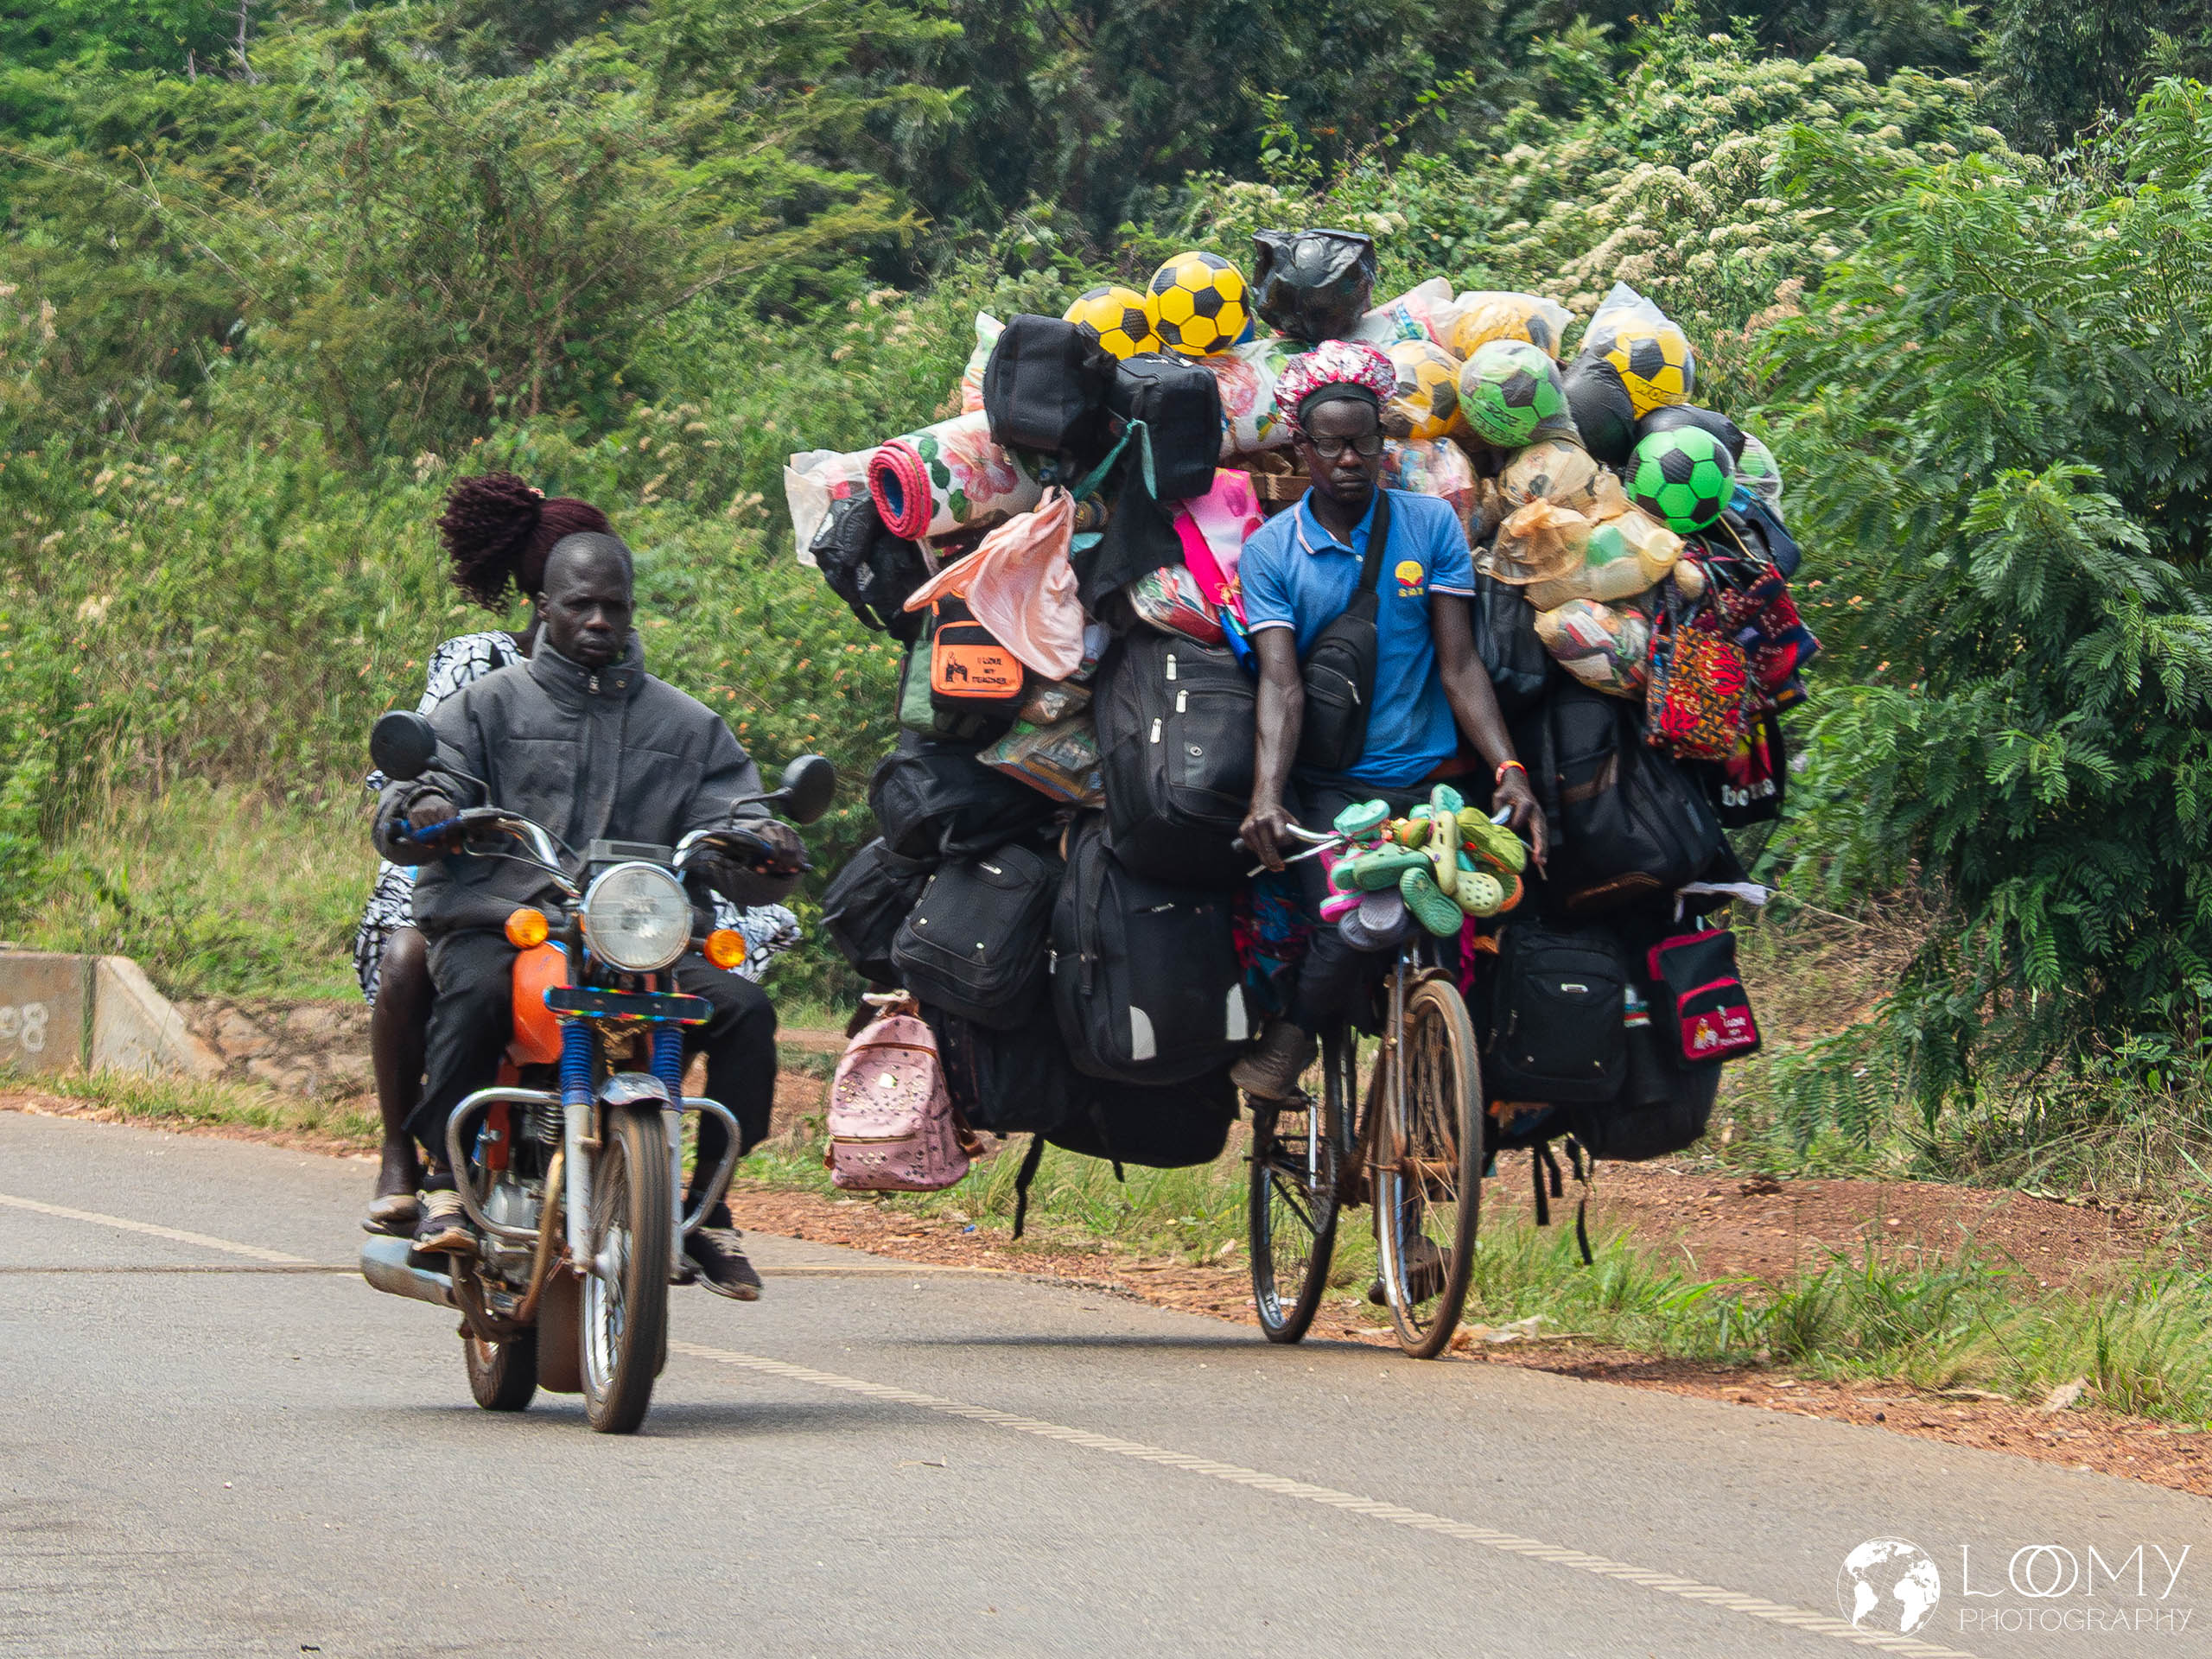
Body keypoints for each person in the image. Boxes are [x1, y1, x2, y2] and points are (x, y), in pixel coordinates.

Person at [353, 475, 798, 1236]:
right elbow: (427, 781)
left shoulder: (688, 725)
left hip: (638, 936)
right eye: (580, 605)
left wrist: (764, 840)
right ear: (544, 608)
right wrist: (426, 807)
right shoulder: (484, 703)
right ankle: (445, 1183)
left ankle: (710, 1204)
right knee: (475, 996)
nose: (598, 620)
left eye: (613, 607)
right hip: (504, 920)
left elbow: (733, 809)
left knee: (746, 1012)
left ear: (631, 610)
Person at [1232, 340, 1548, 1101]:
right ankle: (1292, 1041)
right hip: (1332, 792)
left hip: (1431, 785)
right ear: (1302, 447)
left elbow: (1460, 667)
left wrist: (1510, 771)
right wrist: (1266, 796)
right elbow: (1282, 686)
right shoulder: (1271, 552)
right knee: (1350, 923)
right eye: (1331, 444)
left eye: (1364, 441)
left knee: (1469, 924)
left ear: (1384, 441)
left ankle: (1454, 1099)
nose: (1349, 459)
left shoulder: (1431, 526)